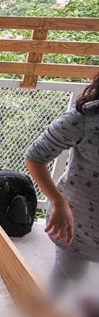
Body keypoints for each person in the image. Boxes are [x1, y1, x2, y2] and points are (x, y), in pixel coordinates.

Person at [24, 72, 99, 298]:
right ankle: (47, 315)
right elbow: (35, 156)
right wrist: (58, 202)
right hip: (76, 227)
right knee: (68, 275)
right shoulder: (86, 118)